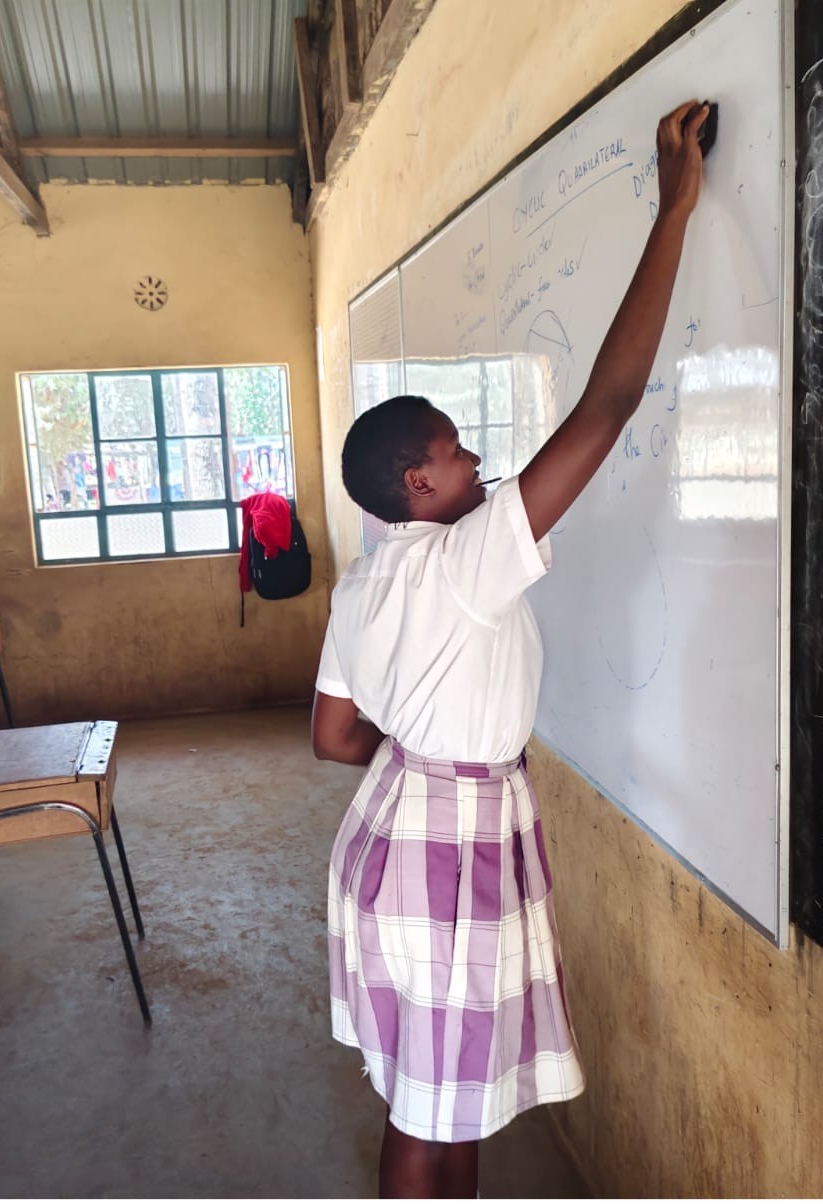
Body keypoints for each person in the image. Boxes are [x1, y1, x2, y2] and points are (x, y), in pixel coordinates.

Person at [312, 101, 711, 1197]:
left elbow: (333, 736)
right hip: (449, 853)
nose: (475, 456)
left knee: (445, 1088)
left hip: (395, 835)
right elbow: (612, 399)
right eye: (453, 449)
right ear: (416, 486)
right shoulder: (465, 557)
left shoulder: (368, 577)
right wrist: (675, 209)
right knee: (434, 1111)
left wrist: (421, 747)